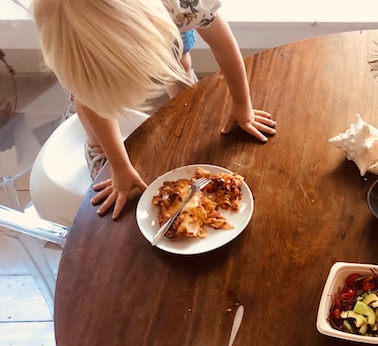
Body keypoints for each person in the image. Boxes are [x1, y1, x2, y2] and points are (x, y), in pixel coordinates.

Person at [30, 0, 277, 220]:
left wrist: (242, 104)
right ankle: (97, 145)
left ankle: (182, 100)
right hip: (103, 31)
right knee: (89, 100)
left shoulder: (185, 7)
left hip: (168, 23)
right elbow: (89, 101)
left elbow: (222, 43)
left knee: (178, 60)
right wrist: (119, 166)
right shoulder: (68, 37)